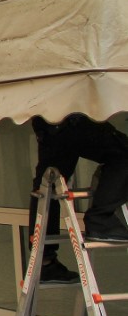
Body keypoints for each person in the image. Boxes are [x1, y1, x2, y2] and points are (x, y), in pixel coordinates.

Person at [29, 114, 128, 284]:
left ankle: (45, 263)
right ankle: (100, 220)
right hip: (73, 118)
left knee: (48, 185)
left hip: (48, 121)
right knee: (124, 154)